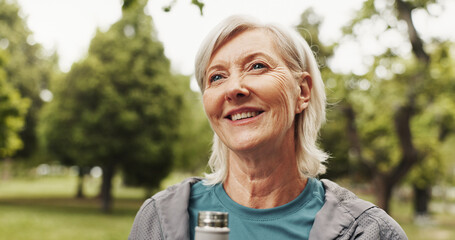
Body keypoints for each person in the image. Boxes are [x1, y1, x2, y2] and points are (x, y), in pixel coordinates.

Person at [129, 15, 408, 240]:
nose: (234, 88)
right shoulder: (160, 219)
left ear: (302, 92)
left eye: (257, 66)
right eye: (217, 77)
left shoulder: (369, 232)